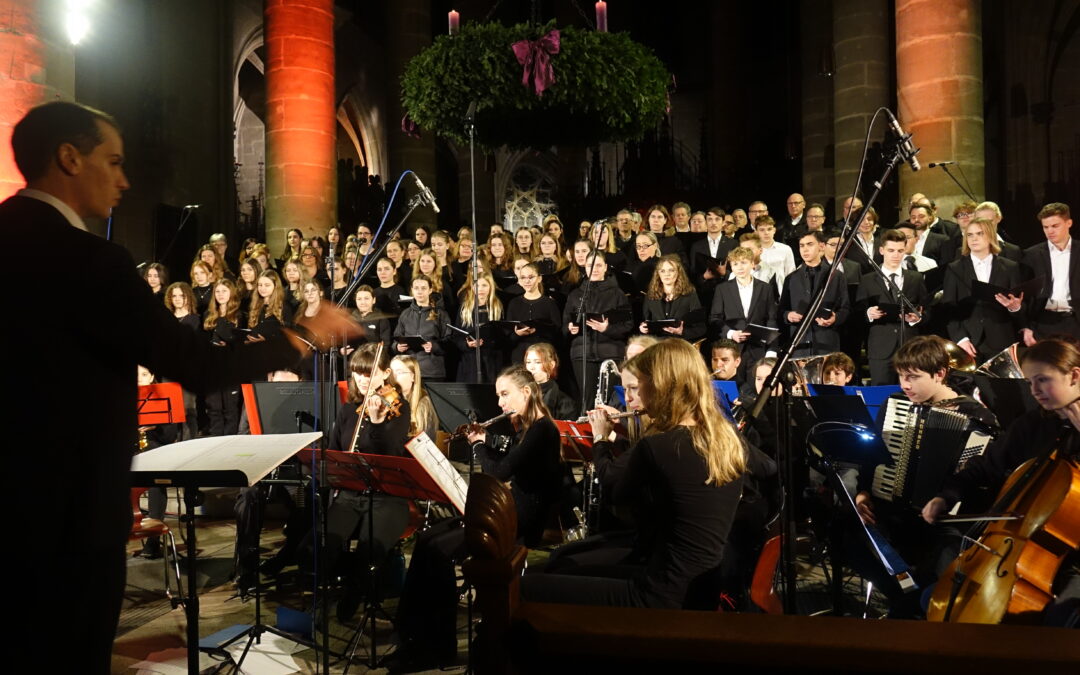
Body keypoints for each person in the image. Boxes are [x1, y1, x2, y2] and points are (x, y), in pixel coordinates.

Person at [2, 101, 352, 672]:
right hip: (70, 520)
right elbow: (198, 365)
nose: (125, 179)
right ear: (69, 158)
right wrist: (303, 336)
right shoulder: (95, 263)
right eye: (112, 161)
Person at [520, 339, 747, 609]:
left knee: (525, 587)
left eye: (640, 384)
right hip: (701, 589)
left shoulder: (659, 446)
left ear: (661, 385)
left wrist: (604, 440)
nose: (633, 394)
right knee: (560, 566)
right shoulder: (728, 439)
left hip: (660, 594)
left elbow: (616, 497)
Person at [921, 337, 1079, 626]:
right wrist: (946, 495)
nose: (1034, 391)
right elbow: (985, 466)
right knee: (935, 595)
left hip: (1072, 558)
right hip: (1023, 547)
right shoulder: (1034, 424)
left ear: (1075, 376)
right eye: (1030, 382)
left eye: (1043, 380)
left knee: (1059, 620)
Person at [851, 335, 998, 617]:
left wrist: (951, 496)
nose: (904, 385)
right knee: (844, 530)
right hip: (894, 509)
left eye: (913, 377)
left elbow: (981, 482)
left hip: (943, 520)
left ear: (940, 374)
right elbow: (875, 457)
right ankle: (905, 600)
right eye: (901, 376)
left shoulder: (976, 417)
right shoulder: (895, 405)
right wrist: (864, 491)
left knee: (942, 561)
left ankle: (910, 610)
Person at [942, 217, 1026, 362]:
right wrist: (961, 339)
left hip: (1002, 340)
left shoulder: (1010, 267)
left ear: (990, 236)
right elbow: (949, 309)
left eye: (979, 234)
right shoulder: (954, 268)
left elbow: (1021, 309)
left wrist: (1015, 308)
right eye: (970, 235)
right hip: (969, 342)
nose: (974, 238)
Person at [857, 229, 929, 385]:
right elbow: (857, 312)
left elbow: (927, 311)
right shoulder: (867, 280)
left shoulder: (915, 278)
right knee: (882, 395)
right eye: (891, 250)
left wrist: (916, 319)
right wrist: (869, 313)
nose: (896, 255)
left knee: (912, 392)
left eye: (900, 251)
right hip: (880, 348)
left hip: (910, 347)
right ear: (881, 250)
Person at [563, 251, 633, 409]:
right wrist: (570, 329)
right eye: (590, 265)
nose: (594, 269)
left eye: (598, 265)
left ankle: (620, 430)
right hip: (582, 354)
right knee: (587, 401)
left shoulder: (617, 294)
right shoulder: (575, 295)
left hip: (611, 352)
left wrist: (607, 328)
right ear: (584, 268)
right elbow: (565, 324)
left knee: (616, 398)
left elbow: (627, 325)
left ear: (605, 267)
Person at [710, 246, 779, 380]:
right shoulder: (722, 289)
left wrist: (772, 349)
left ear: (752, 264)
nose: (739, 267)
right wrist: (731, 333)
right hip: (732, 350)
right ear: (731, 266)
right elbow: (714, 318)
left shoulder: (765, 288)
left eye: (744, 262)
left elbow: (771, 319)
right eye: (735, 264)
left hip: (758, 348)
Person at [780, 230, 851, 356]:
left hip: (826, 342)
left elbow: (845, 308)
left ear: (821, 246)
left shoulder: (836, 276)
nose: (805, 249)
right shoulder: (791, 278)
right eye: (801, 246)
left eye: (810, 244)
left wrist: (835, 318)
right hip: (799, 344)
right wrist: (788, 315)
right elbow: (782, 309)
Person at [1021, 202, 1079, 344]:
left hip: (1076, 321)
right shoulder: (1031, 255)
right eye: (1045, 227)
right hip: (1043, 323)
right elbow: (1025, 295)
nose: (1050, 231)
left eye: (1055, 226)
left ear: (1069, 223)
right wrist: (1025, 327)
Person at [394, 274, 452, 380]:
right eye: (416, 288)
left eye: (423, 288)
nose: (420, 292)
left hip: (432, 371)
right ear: (412, 290)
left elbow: (450, 341)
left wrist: (434, 346)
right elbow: (397, 337)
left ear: (430, 290)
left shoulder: (440, 314)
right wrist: (397, 347)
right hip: (409, 371)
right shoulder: (405, 314)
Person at [639, 254, 705, 343]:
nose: (667, 274)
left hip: (680, 344)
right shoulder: (650, 295)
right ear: (658, 274)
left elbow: (701, 328)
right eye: (662, 271)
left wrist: (682, 332)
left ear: (678, 272)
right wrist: (643, 329)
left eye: (671, 270)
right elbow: (646, 321)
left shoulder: (689, 294)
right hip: (658, 344)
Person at [390, 354, 439, 440]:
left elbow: (423, 443)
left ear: (413, 376)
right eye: (391, 372)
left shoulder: (424, 403)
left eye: (399, 372)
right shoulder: (391, 399)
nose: (394, 377)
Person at [524, 342, 578, 420]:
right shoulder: (521, 394)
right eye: (528, 362)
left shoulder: (565, 403)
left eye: (537, 362)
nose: (531, 367)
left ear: (551, 365)